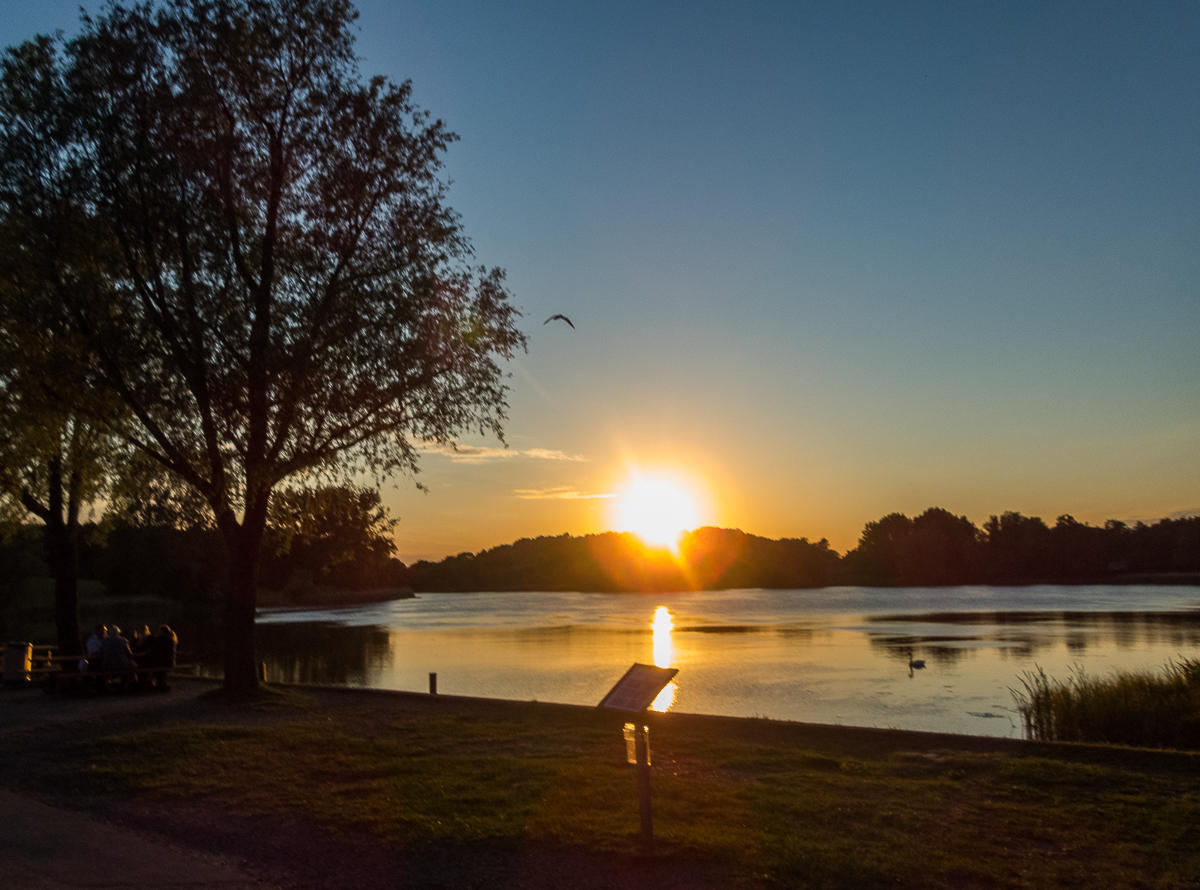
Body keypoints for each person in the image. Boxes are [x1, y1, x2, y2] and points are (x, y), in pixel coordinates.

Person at [145, 625, 177, 690]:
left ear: (162, 631)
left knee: (149, 665)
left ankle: (150, 682)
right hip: (168, 661)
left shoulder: (159, 639)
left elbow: (154, 651)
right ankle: (161, 683)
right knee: (159, 669)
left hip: (160, 662)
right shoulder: (171, 639)